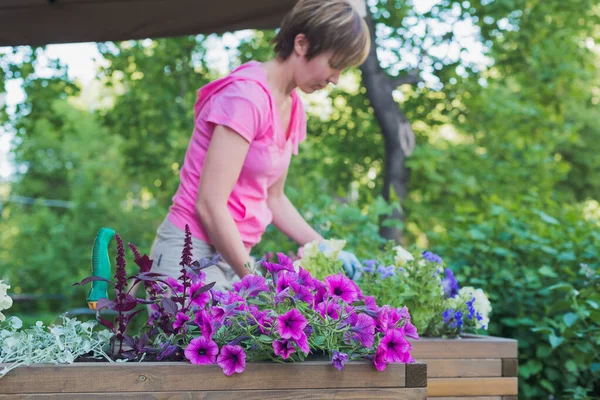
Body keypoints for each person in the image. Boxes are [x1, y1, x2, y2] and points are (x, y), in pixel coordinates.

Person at [149, 0, 371, 292]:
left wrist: (326, 248)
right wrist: (256, 282)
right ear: (302, 44)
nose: (336, 79)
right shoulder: (246, 97)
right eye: (334, 64)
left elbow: (274, 198)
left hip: (231, 255)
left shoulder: (293, 106)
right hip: (189, 254)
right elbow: (209, 204)